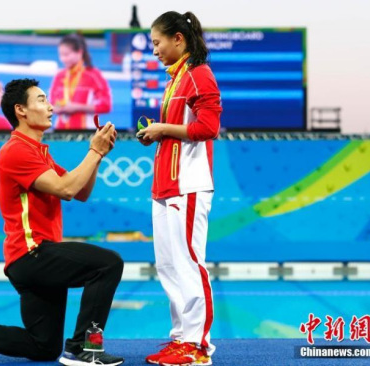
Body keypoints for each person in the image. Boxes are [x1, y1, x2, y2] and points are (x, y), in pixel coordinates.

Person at [0, 78, 124, 366]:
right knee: (109, 264)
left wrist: (99, 154)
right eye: (42, 100)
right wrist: (94, 151)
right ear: (21, 110)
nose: (51, 106)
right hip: (32, 255)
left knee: (43, 346)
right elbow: (66, 189)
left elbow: (80, 191)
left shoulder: (38, 152)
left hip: (34, 259)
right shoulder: (16, 150)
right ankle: (84, 348)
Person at [137, 11, 223, 366]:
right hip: (165, 187)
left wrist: (163, 130)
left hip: (188, 185)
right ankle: (180, 339)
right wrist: (155, 133)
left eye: (157, 42)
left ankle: (198, 346)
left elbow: (208, 128)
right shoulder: (175, 80)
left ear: (179, 39)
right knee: (169, 265)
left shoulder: (198, 75)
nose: (154, 50)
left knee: (189, 263)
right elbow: (177, 131)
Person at [49, 33, 112, 130]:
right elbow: (51, 104)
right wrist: (57, 108)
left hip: (85, 133)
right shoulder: (59, 76)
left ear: (79, 52)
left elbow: (106, 105)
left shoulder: (93, 75)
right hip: (60, 132)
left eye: (66, 54)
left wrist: (77, 107)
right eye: (61, 55)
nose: (63, 59)